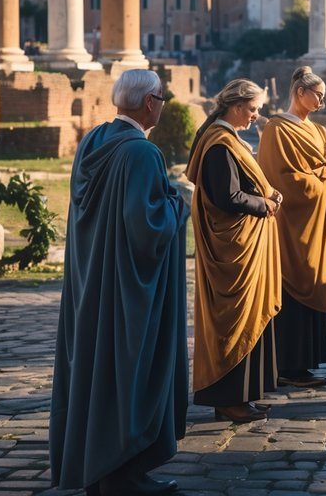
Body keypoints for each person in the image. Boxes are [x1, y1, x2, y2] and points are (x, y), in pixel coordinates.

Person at [50, 70, 187, 496]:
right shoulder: (142, 154)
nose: (162, 105)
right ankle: (122, 474)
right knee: (129, 370)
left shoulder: (93, 141)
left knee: (96, 370)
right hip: (129, 289)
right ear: (149, 103)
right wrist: (177, 202)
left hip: (93, 278)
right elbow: (146, 228)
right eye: (161, 98)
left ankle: (103, 467)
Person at [188, 79, 283, 422]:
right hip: (232, 250)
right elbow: (227, 197)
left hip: (243, 245)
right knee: (232, 321)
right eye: (254, 108)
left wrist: (267, 196)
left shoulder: (225, 139)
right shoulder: (219, 144)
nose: (257, 115)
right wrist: (265, 204)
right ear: (237, 106)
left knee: (246, 318)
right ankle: (229, 399)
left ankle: (242, 397)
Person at [257, 66, 326, 389]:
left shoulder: (319, 132)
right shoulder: (276, 130)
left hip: (318, 227)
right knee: (291, 291)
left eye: (323, 96)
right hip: (292, 227)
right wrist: (321, 181)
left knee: (317, 284)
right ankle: (290, 365)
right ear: (300, 93)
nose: (322, 101)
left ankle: (306, 363)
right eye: (318, 95)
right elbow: (281, 177)